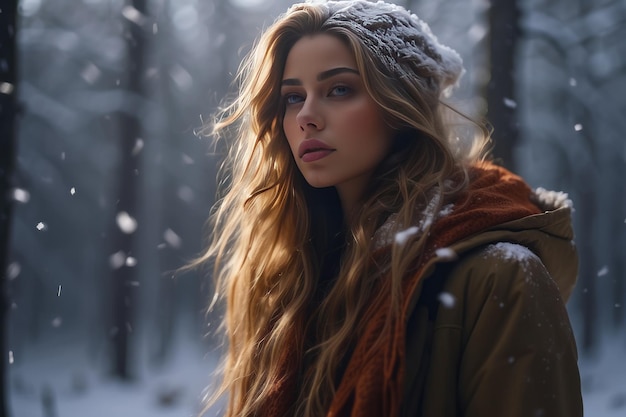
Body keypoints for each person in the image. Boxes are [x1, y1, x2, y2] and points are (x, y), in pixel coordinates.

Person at [193, 1, 583, 416]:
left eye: (339, 89)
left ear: (402, 105)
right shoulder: (295, 281)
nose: (306, 116)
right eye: (292, 97)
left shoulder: (501, 277)